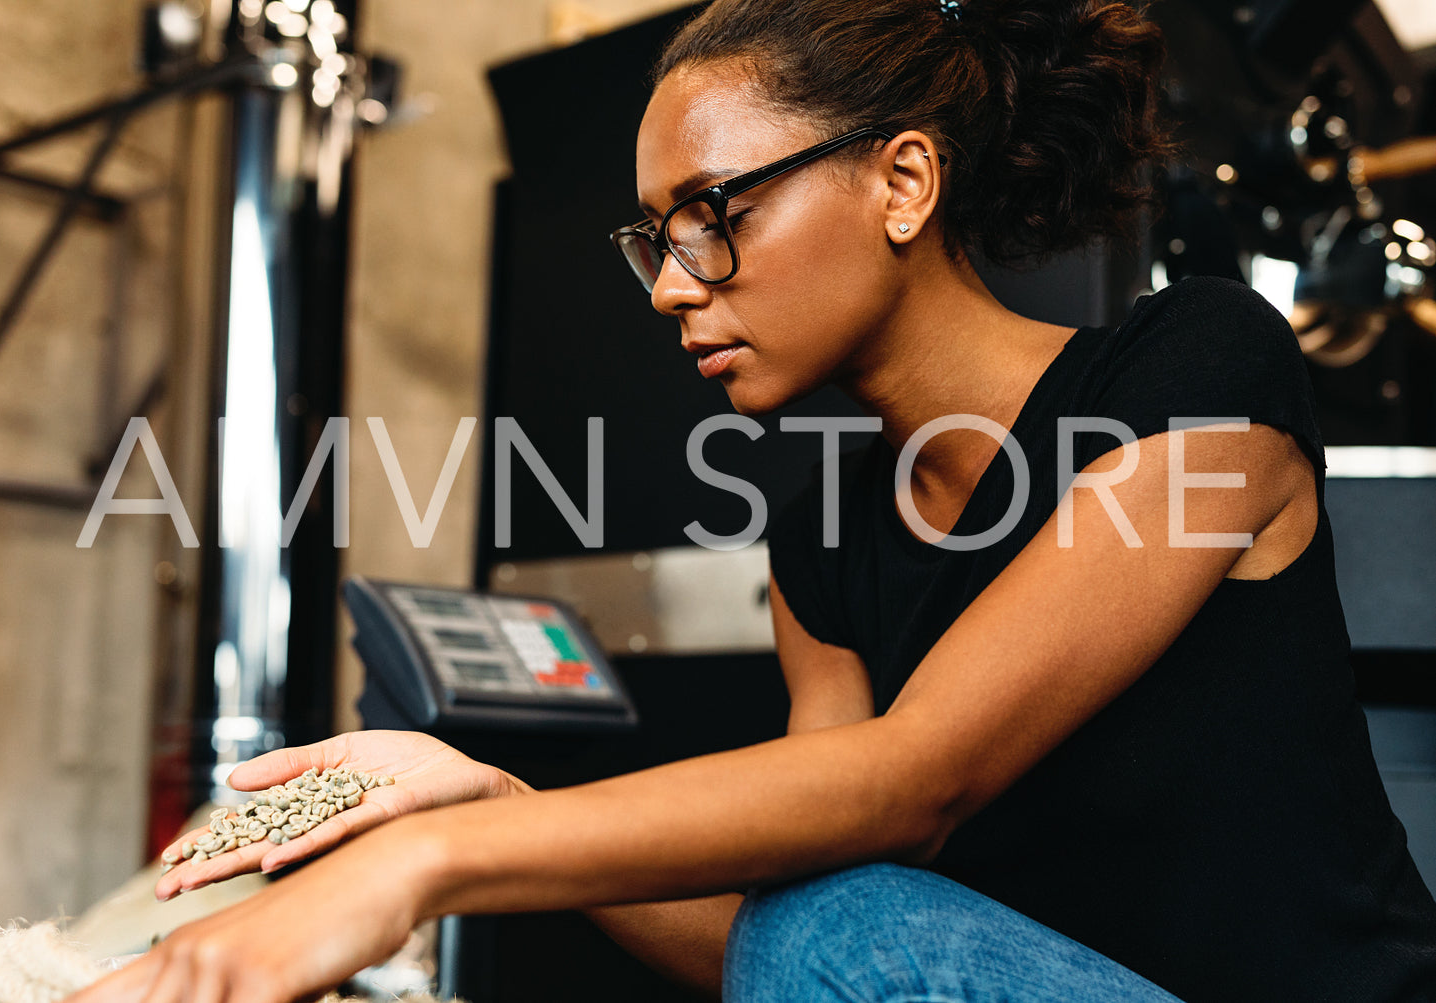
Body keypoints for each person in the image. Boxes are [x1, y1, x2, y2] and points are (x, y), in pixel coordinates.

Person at [71, 0, 1436, 1000]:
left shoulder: (1197, 369)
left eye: (713, 212)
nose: (673, 283)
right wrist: (470, 800)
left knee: (847, 917)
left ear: (901, 179)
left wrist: (420, 873)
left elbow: (913, 784)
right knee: (819, 921)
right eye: (653, 237)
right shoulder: (825, 536)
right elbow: (771, 938)